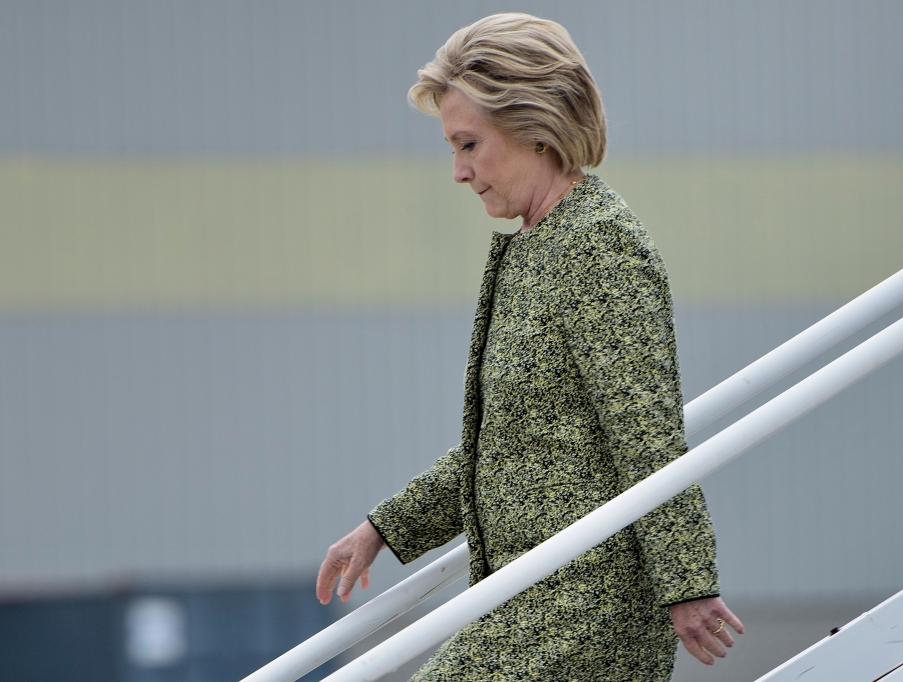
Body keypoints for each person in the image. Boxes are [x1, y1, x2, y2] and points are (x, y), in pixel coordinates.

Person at [316, 13, 743, 680]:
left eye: (468, 145)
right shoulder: (538, 247)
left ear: (535, 129)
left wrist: (686, 581)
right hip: (527, 605)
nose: (458, 172)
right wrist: (385, 528)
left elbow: (646, 432)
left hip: (583, 611)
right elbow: (511, 442)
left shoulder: (597, 244)